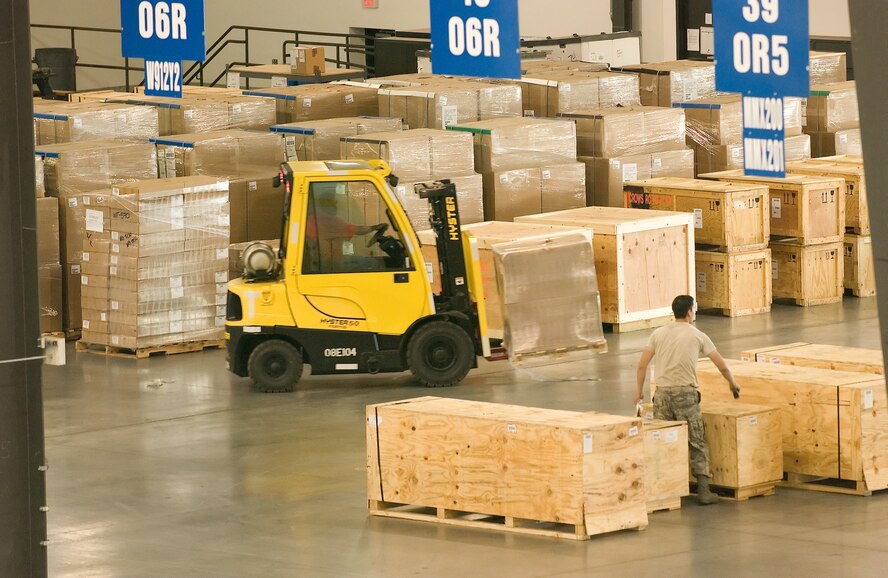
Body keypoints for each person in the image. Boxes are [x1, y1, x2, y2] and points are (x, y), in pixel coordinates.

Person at [634, 294, 741, 505]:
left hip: (662, 395)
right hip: (686, 395)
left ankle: (663, 489)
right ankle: (703, 490)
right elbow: (722, 365)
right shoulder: (698, 335)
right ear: (690, 311)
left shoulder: (658, 334)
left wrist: (638, 393)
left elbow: (641, 365)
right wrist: (732, 383)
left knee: (662, 441)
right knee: (696, 440)